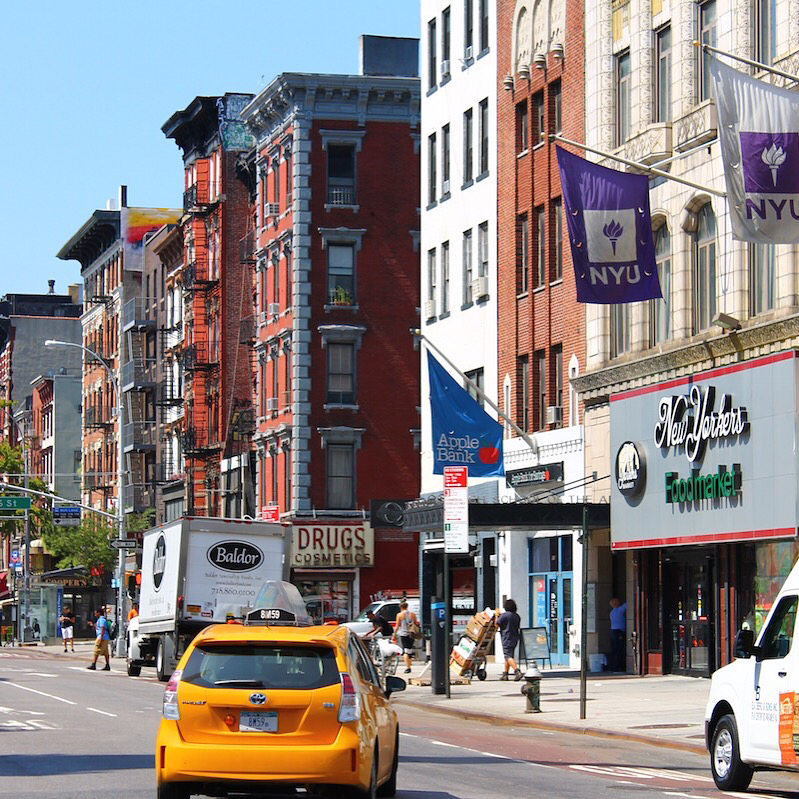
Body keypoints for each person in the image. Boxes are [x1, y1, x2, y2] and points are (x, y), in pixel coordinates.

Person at [497, 598, 522, 681]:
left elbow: (497, 624)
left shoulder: (504, 615)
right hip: (515, 637)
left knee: (507, 655)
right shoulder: (516, 616)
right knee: (509, 655)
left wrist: (497, 616)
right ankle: (505, 674)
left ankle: (517, 671)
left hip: (506, 637)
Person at [392, 601, 419, 674]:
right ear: (407, 606)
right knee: (409, 650)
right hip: (412, 634)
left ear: (401, 607)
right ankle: (409, 664)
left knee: (406, 651)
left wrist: (394, 635)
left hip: (404, 634)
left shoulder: (399, 615)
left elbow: (397, 626)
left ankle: (408, 667)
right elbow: (416, 623)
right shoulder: (413, 614)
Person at [609, 597, 627, 672]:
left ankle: (614, 666)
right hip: (619, 632)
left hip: (613, 631)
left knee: (615, 650)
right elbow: (628, 603)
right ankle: (619, 666)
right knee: (620, 649)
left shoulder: (612, 612)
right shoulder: (619, 610)